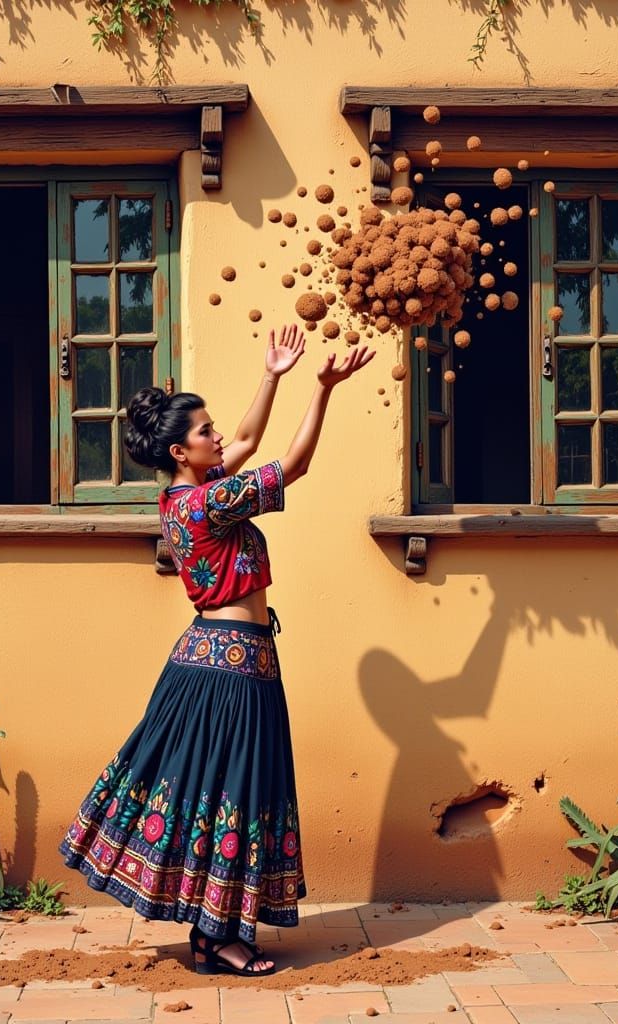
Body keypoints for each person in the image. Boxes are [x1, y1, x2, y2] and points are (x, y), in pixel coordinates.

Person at [60, 324, 375, 977]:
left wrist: (274, 373)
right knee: (232, 790)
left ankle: (216, 929)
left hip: (230, 658)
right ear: (181, 449)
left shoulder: (185, 495)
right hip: (229, 666)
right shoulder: (208, 504)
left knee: (224, 789)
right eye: (205, 431)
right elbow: (293, 464)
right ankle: (216, 939)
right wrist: (321, 390)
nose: (217, 435)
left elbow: (249, 440)